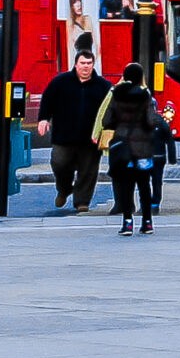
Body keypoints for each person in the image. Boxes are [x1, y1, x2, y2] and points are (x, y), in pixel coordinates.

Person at [35, 52, 111, 214]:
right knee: (59, 163)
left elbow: (110, 109)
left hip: (91, 138)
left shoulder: (103, 86)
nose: (86, 66)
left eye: (89, 63)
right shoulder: (60, 82)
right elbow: (48, 100)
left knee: (88, 170)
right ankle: (64, 189)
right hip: (64, 136)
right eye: (83, 63)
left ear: (93, 65)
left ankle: (82, 201)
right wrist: (43, 119)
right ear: (76, 64)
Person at [96, 63, 160, 236]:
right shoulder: (145, 95)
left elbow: (106, 120)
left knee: (126, 185)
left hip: (123, 145)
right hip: (142, 146)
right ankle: (147, 222)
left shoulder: (116, 94)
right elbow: (150, 121)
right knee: (144, 185)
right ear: (140, 77)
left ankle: (127, 222)